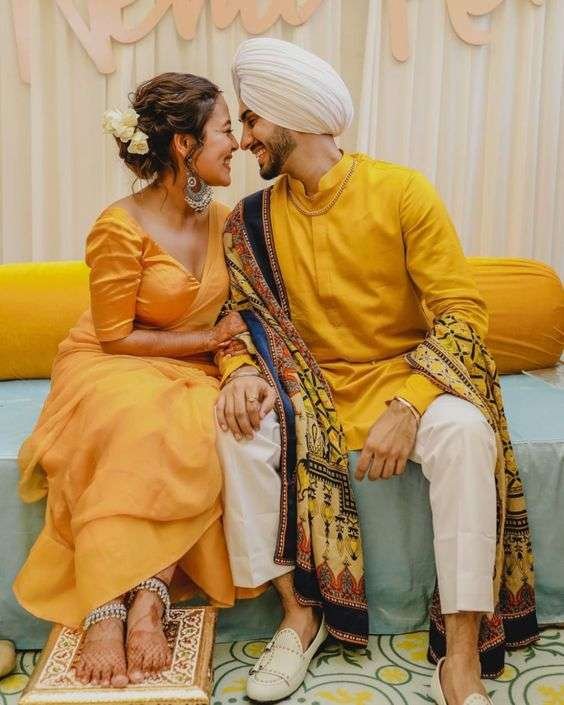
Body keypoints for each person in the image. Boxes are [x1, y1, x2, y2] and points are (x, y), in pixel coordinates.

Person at [214, 38, 539, 705]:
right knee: (234, 429)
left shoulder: (401, 191)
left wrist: (412, 402)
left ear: (291, 116)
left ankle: (460, 656)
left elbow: (462, 311)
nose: (243, 140)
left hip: (405, 379)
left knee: (466, 433)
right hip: (310, 393)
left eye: (250, 120)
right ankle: (298, 616)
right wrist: (242, 372)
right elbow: (239, 318)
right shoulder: (250, 221)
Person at [14, 72, 259, 689]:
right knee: (133, 416)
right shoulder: (118, 226)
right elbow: (116, 336)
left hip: (191, 369)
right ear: (184, 144)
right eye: (225, 130)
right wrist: (211, 339)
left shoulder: (227, 223)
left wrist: (231, 355)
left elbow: (248, 314)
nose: (236, 143)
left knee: (199, 424)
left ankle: (150, 596)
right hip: (112, 359)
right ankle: (103, 604)